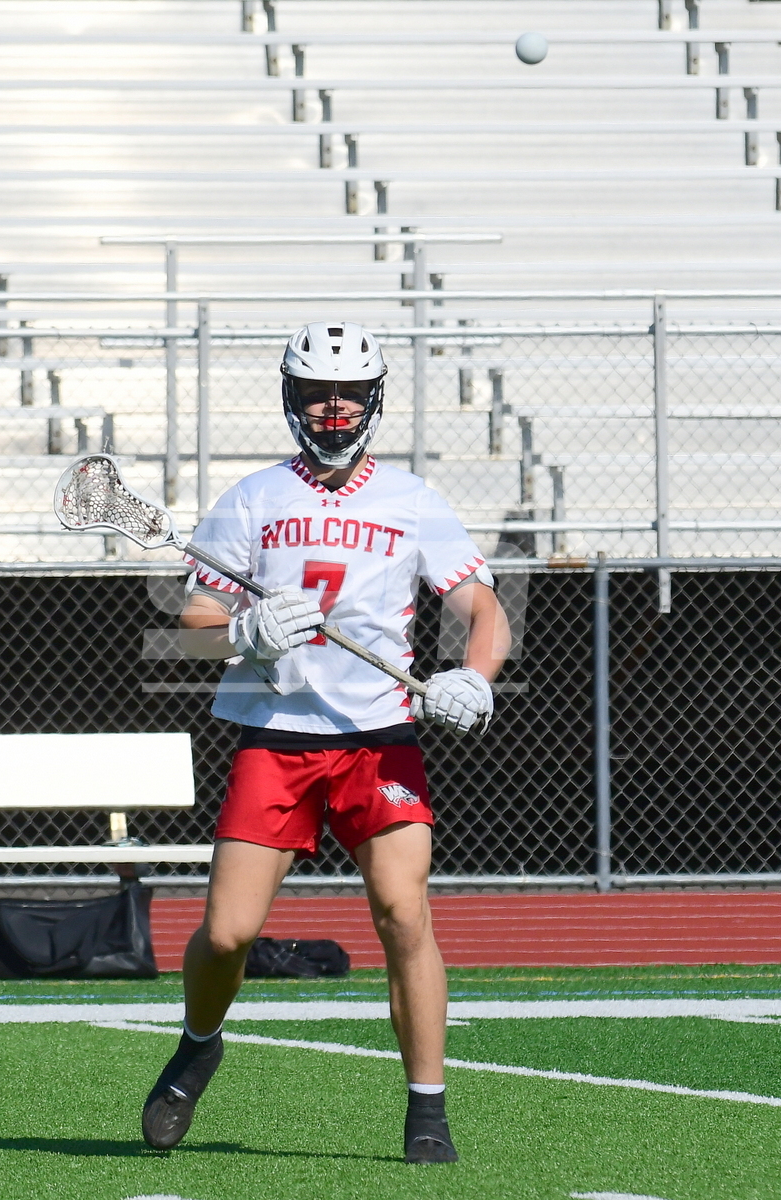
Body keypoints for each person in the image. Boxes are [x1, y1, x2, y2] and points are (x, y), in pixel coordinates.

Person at [142, 321, 511, 1164]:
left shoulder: (412, 500)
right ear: (292, 397)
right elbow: (193, 625)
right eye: (317, 392)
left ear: (373, 399)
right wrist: (243, 632)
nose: (334, 407)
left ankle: (428, 1110)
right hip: (278, 736)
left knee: (403, 913)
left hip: (380, 739)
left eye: (348, 392)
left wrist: (476, 677)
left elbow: (484, 609)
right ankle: (198, 1044)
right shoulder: (252, 498)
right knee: (227, 934)